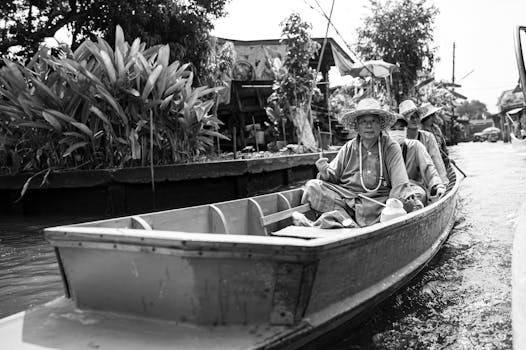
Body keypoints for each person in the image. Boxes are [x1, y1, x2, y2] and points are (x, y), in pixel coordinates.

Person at [293, 98, 422, 229]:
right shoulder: (348, 147)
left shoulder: (390, 147)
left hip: (378, 206)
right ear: (357, 126)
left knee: (405, 203)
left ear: (380, 124)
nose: (369, 126)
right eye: (364, 122)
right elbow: (332, 177)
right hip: (347, 201)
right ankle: (345, 222)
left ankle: (339, 222)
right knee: (313, 186)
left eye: (373, 121)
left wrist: (393, 209)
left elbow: (400, 185)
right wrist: (324, 171)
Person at [388, 113, 446, 204]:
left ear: (405, 130)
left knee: (418, 197)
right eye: (393, 129)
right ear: (386, 131)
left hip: (412, 188)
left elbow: (429, 168)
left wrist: (438, 185)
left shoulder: (415, 146)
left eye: (401, 129)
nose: (397, 132)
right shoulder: (382, 149)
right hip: (389, 192)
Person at [399, 99, 449, 185]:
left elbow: (436, 160)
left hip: (425, 181)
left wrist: (443, 182)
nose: (414, 120)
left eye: (417, 117)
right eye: (411, 117)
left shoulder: (428, 137)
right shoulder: (399, 138)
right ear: (405, 121)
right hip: (405, 181)